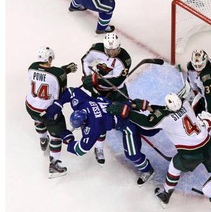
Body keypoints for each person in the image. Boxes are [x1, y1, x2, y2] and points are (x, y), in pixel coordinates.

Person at [107, 93, 211, 208]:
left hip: (191, 153)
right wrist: (149, 107)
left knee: (174, 168)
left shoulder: (166, 118)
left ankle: (165, 194)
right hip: (208, 144)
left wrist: (127, 112)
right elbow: (164, 111)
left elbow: (147, 123)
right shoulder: (185, 104)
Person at [46, 87, 158, 186]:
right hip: (122, 110)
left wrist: (68, 140)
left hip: (129, 124)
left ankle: (148, 170)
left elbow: (81, 150)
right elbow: (71, 92)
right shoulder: (83, 104)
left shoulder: (94, 126)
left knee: (132, 154)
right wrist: (58, 103)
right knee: (103, 129)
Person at [25, 46, 78, 179]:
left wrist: (64, 70)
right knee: (56, 136)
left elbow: (46, 73)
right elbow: (61, 94)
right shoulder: (57, 74)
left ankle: (43, 140)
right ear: (49, 58)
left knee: (38, 120)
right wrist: (64, 72)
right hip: (47, 111)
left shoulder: (31, 67)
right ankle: (54, 165)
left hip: (30, 106)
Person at [81, 32, 132, 165]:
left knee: (125, 112)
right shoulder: (96, 49)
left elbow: (117, 80)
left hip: (117, 91)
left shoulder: (125, 59)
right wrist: (87, 76)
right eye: (109, 50)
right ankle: (99, 148)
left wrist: (94, 79)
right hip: (98, 91)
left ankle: (125, 127)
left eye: (115, 49)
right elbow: (85, 60)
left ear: (119, 46)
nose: (112, 52)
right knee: (100, 118)